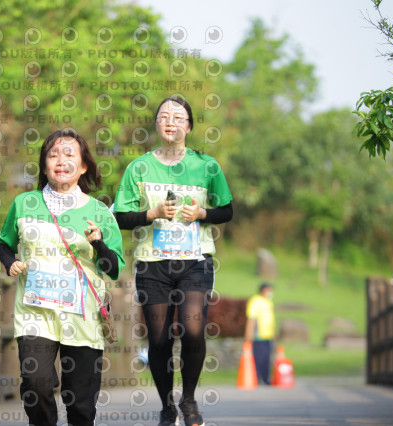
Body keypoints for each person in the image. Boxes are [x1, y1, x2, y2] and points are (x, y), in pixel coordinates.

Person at [114, 96, 233, 426]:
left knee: (193, 329)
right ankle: (167, 407)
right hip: (153, 263)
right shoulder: (138, 167)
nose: (171, 121)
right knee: (159, 339)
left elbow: (227, 210)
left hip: (195, 261)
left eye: (178, 117)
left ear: (189, 126)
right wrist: (150, 214)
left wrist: (202, 213)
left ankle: (190, 400)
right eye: (164, 116)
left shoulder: (207, 166)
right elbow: (120, 217)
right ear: (156, 124)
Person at [0, 129, 125, 426]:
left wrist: (98, 243)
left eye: (69, 155)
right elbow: (3, 243)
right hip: (35, 312)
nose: (61, 160)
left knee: (80, 401)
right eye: (53, 155)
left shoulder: (99, 211)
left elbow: (114, 267)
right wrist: (10, 262)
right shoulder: (24, 203)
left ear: (83, 167)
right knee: (36, 382)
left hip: (83, 316)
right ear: (44, 166)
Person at [245, 283, 276, 385]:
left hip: (268, 335)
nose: (271, 293)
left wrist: (274, 332)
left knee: (267, 358)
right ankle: (256, 379)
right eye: (269, 290)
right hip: (258, 336)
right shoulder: (255, 301)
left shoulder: (268, 302)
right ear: (263, 290)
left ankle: (266, 378)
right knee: (258, 358)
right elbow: (251, 318)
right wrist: (249, 333)